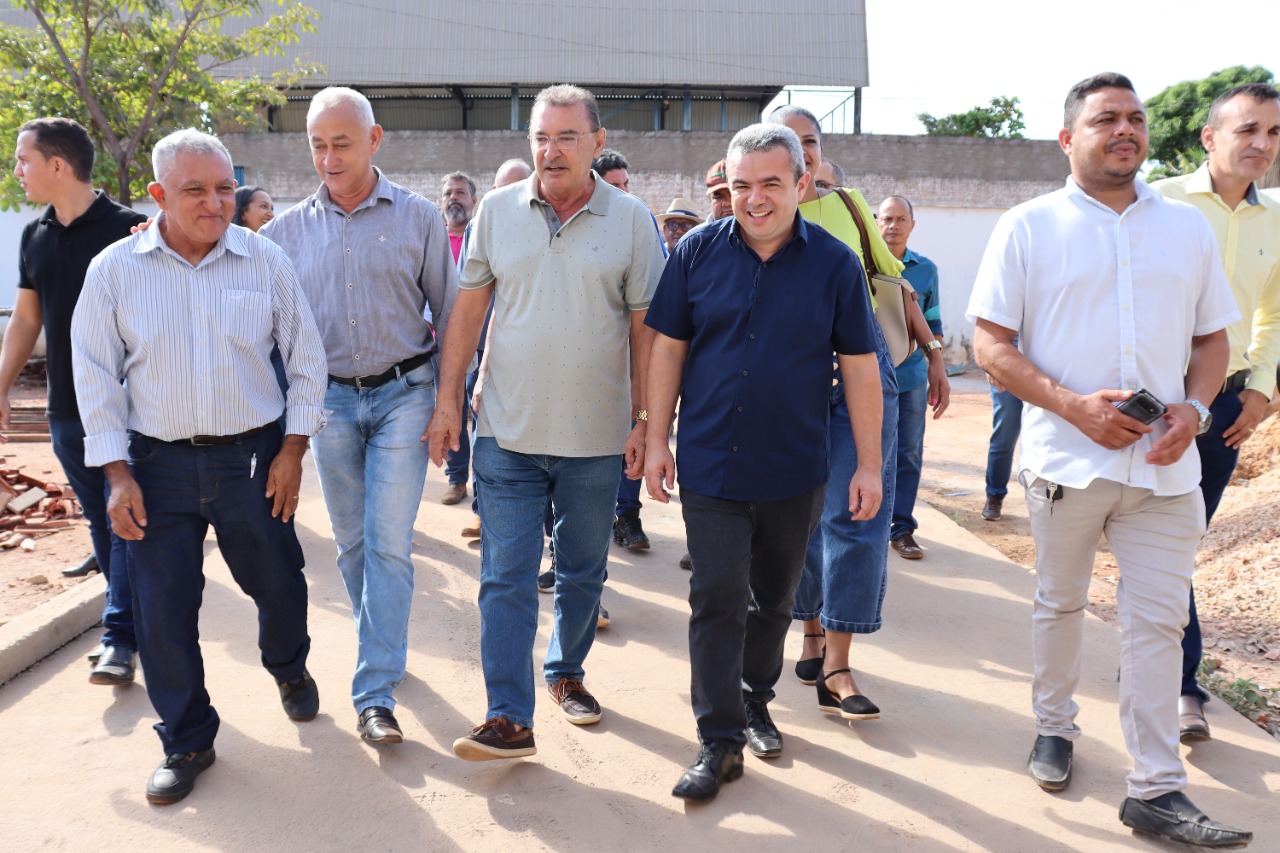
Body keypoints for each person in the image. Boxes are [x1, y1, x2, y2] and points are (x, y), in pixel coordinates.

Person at [969, 73, 1251, 849]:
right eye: (1105, 119)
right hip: (1067, 462)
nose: (1125, 129)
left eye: (1135, 117)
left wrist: (1194, 408)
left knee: (1157, 622)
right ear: (1068, 139)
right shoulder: (1028, 226)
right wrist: (1072, 406)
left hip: (1165, 468)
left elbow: (1212, 339)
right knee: (1059, 603)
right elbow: (989, 344)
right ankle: (1054, 726)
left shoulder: (1186, 228)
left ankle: (1155, 788)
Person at [70, 128, 328, 805]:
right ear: (158, 194)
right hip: (155, 466)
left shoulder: (264, 260)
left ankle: (289, 665)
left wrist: (293, 450)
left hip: (253, 458)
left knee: (279, 582)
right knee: (161, 611)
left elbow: (306, 358)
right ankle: (186, 739)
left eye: (225, 188)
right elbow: (94, 376)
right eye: (195, 190)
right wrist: (116, 473)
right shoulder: (114, 271)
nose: (215, 203)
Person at [644, 123, 883, 801]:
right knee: (716, 597)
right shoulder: (695, 252)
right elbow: (668, 348)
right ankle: (718, 740)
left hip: (794, 467)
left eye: (771, 184)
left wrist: (869, 464)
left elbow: (860, 367)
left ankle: (755, 697)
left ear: (801, 185)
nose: (754, 198)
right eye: (741, 185)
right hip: (711, 462)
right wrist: (656, 438)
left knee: (774, 598)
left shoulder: (835, 264)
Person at [428, 84, 664, 761]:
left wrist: (647, 422)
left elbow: (647, 333)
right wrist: (448, 402)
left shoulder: (631, 221)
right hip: (508, 432)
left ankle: (565, 672)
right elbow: (468, 313)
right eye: (540, 137)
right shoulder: (497, 212)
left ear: (596, 142)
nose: (550, 150)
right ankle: (508, 715)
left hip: (596, 436)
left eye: (566, 137)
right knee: (505, 576)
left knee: (582, 571)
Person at [261, 86, 457, 747]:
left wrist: (449, 403)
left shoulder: (419, 218)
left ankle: (374, 692)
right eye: (318, 145)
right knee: (350, 544)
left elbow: (449, 312)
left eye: (342, 143)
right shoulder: (283, 235)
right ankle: (386, 643)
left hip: (406, 393)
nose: (329, 158)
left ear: (374, 140)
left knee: (387, 541)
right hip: (331, 404)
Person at [769, 105, 947, 719]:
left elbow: (895, 283)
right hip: (790, 376)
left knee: (859, 512)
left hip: (862, 371)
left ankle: (838, 664)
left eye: (810, 140)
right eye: (788, 139)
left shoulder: (848, 206)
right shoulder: (757, 211)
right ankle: (810, 631)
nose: (801, 150)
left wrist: (934, 355)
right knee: (802, 515)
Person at [1152, 82, 1280, 745]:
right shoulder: (1159, 202)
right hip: (1152, 400)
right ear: (1210, 137)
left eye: (1274, 133)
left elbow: (1274, 315)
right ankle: (1175, 680)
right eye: (1248, 129)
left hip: (1225, 406)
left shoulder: (1276, 220)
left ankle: (1172, 678)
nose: (1263, 143)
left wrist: (1259, 389)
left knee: (1181, 538)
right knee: (1152, 536)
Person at [0, 117, 146, 685]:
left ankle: (119, 637)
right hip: (66, 409)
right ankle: (127, 628)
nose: (17, 170)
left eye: (23, 160)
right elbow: (26, 319)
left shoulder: (131, 230)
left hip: (127, 408)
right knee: (102, 525)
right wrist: (1, 385)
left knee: (127, 519)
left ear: (57, 165)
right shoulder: (33, 235)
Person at [458, 159, 533, 540]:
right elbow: (465, 295)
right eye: (504, 189)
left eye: (520, 188)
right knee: (483, 433)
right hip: (485, 358)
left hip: (532, 358)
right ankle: (481, 512)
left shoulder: (545, 227)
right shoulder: (478, 228)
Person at [877, 195, 945, 560]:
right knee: (869, 452)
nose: (893, 225)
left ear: (912, 225)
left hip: (911, 377)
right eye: (887, 219)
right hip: (868, 377)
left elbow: (933, 322)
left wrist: (937, 365)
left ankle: (901, 528)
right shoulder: (862, 263)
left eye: (901, 219)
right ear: (877, 223)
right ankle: (868, 524)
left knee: (908, 452)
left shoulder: (926, 269)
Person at [439, 171, 480, 507]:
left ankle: (483, 487)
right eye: (448, 193)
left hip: (479, 340)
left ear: (474, 200)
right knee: (450, 406)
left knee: (479, 412)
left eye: (461, 192)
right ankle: (456, 479)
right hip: (440, 342)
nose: (454, 198)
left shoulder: (482, 237)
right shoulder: (433, 241)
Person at [982, 378, 1022, 520]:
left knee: (1047, 439)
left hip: (1045, 377)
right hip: (1009, 377)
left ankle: (1050, 499)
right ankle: (994, 495)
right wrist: (990, 369)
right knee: (1003, 439)